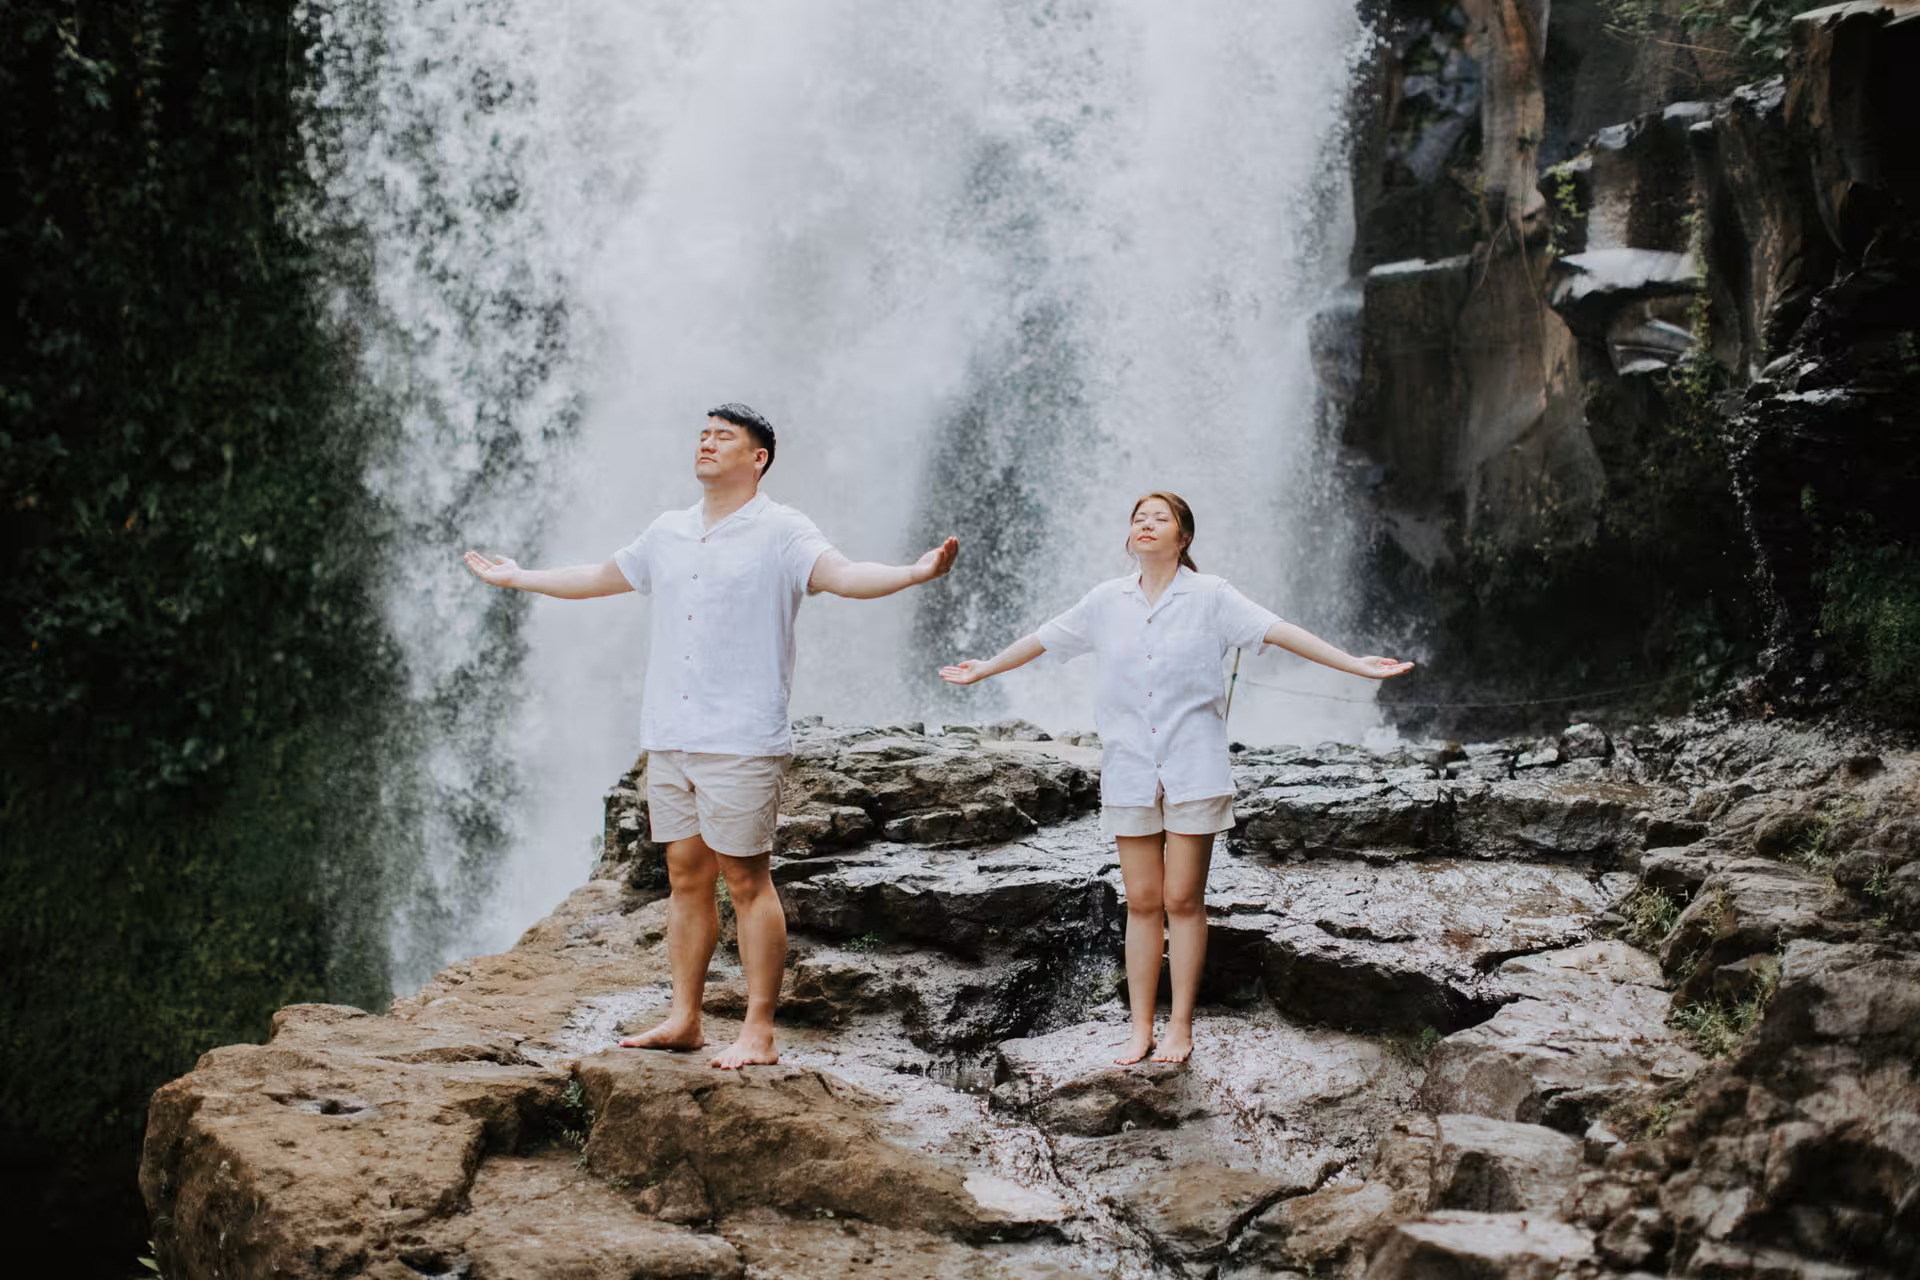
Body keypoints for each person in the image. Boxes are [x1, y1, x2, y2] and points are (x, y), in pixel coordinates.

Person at [465, 403, 959, 1068]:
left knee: (748, 881)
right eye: (702, 434)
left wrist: (913, 573)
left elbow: (843, 576)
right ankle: (685, 1019)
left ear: (757, 458)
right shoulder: (668, 532)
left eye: (723, 437)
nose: (707, 443)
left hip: (741, 736)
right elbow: (597, 577)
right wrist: (518, 575)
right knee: (685, 877)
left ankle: (758, 1030)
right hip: (671, 732)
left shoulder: (783, 530)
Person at [939, 491, 1411, 1064]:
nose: (1146, 524)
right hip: (1131, 765)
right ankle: (1139, 1027)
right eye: (1139, 518)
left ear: (1183, 537)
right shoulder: (1104, 601)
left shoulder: (1211, 596)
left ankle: (1180, 1026)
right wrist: (984, 668)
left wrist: (1356, 666)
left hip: (1194, 765)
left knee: (1182, 898)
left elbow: (1280, 630)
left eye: (1160, 518)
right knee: (1141, 900)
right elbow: (1043, 639)